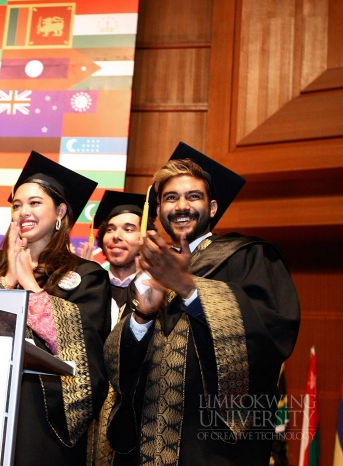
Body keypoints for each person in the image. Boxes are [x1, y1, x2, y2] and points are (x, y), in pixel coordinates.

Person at [103, 142, 300, 465]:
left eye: (193, 196)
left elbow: (271, 337)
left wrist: (189, 289)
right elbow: (116, 368)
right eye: (170, 198)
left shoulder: (248, 257)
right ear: (158, 212)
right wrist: (142, 315)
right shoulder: (152, 270)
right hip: (146, 447)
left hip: (214, 448)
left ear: (211, 208)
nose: (181, 205)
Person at [0, 151, 111, 465]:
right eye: (16, 205)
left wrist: (31, 287)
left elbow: (87, 356)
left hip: (42, 415)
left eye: (34, 203)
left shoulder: (87, 275)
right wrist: (7, 283)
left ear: (60, 211)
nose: (23, 211)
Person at [79, 190, 146, 333]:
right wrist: (85, 281)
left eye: (128, 229)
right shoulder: (90, 287)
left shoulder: (154, 289)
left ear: (144, 238)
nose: (116, 236)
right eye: (110, 230)